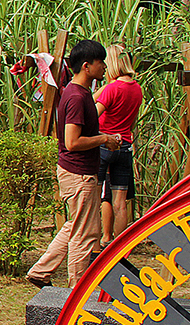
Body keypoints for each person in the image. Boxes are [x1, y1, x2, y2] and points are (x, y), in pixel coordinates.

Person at [26, 39, 121, 290]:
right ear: (87, 66)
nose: (105, 66)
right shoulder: (77, 97)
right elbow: (71, 141)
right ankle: (77, 292)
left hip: (74, 172)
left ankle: (40, 271)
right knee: (86, 235)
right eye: (101, 62)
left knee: (75, 225)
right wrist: (104, 139)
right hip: (79, 174)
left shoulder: (75, 91)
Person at [95, 44, 143, 249]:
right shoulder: (137, 88)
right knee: (120, 202)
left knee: (95, 198)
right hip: (125, 146)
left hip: (104, 145)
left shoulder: (112, 88)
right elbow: (132, 122)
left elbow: (92, 115)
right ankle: (120, 249)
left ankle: (95, 245)